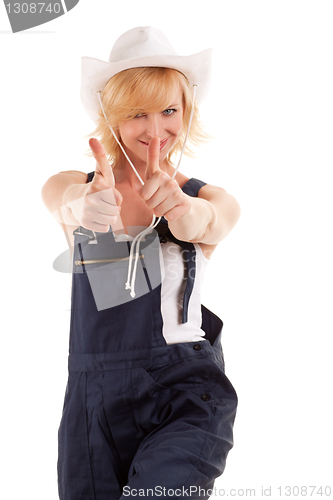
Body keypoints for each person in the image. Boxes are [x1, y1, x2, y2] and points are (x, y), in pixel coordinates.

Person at [41, 26, 241, 500]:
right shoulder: (79, 186)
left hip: (184, 394)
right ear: (110, 117)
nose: (156, 131)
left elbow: (209, 222)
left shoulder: (206, 196)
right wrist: (83, 208)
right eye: (137, 114)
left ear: (187, 111)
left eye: (169, 111)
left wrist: (181, 208)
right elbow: (61, 201)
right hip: (91, 401)